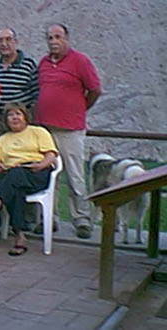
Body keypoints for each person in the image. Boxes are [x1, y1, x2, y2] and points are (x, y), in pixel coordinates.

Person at [36, 23, 103, 239]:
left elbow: (95, 90)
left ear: (67, 38)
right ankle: (49, 218)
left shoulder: (80, 61)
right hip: (45, 129)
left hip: (70, 130)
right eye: (50, 37)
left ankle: (81, 219)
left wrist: (79, 109)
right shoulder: (44, 63)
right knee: (48, 175)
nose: (54, 41)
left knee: (75, 175)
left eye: (58, 37)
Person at [0, 103, 58, 256]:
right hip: (10, 175)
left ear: (25, 117)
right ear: (6, 120)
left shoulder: (38, 132)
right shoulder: (3, 139)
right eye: (10, 115)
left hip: (35, 173)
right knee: (15, 186)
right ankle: (20, 236)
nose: (14, 118)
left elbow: (51, 154)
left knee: (16, 176)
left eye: (18, 114)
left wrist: (41, 165)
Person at [0, 27, 39, 140]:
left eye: (8, 39)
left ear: (15, 42)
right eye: (0, 40)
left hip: (22, 119)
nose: (4, 44)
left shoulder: (28, 64)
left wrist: (30, 118)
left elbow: (37, 95)